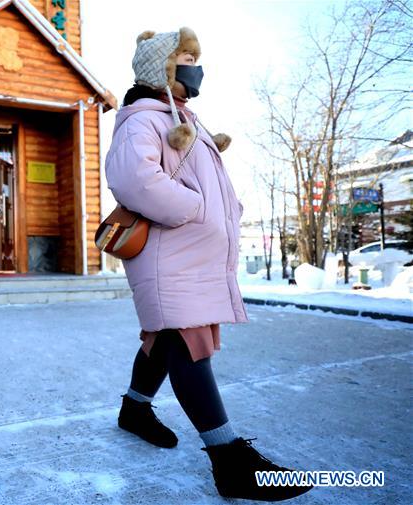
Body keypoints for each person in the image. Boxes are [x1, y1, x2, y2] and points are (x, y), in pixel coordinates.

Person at [104, 28, 312, 501]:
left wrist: (224, 215)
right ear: (162, 67)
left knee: (166, 337)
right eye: (187, 57)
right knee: (188, 342)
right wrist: (194, 210)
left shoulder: (180, 116)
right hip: (167, 252)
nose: (197, 66)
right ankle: (230, 460)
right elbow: (134, 180)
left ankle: (134, 410)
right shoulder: (142, 119)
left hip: (186, 253)